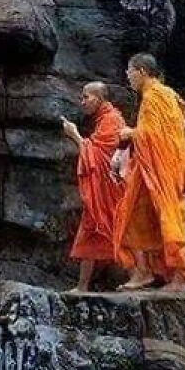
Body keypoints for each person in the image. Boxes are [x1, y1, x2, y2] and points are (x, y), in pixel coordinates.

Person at [113, 53, 185, 293]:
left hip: (162, 170)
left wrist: (130, 134)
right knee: (137, 217)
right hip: (151, 169)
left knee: (167, 217)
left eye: (130, 72)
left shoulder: (156, 96)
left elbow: (157, 136)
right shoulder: (160, 95)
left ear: (142, 71)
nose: (128, 77)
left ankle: (179, 278)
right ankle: (144, 273)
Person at [61, 82, 125, 293]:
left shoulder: (112, 120)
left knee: (116, 232)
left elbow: (97, 157)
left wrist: (74, 135)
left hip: (111, 189)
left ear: (99, 98)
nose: (82, 102)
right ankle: (82, 285)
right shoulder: (104, 120)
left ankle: (137, 278)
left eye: (86, 97)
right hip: (101, 189)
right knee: (92, 230)